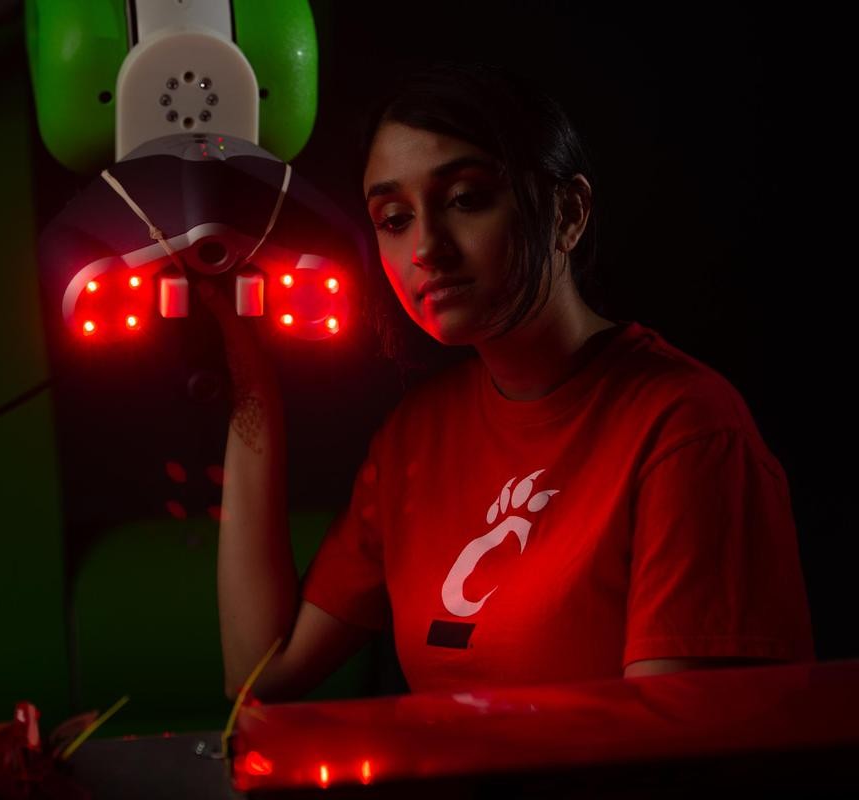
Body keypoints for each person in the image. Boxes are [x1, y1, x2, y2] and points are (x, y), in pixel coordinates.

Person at [209, 62, 814, 701]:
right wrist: (250, 378)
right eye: (394, 218)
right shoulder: (416, 438)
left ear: (567, 213)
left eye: (466, 199)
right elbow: (258, 681)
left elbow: (667, 750)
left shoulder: (684, 428)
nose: (427, 247)